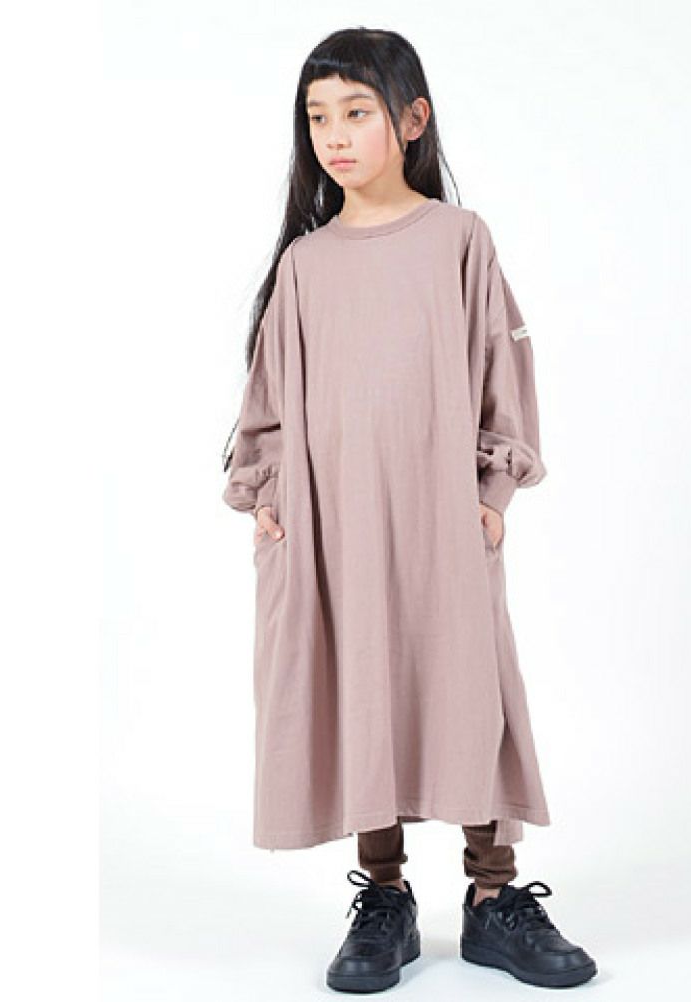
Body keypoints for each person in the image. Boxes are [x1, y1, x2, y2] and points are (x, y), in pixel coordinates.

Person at [221, 26, 597, 993]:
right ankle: (384, 898)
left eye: (357, 112)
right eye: (318, 118)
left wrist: (492, 495)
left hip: (440, 518)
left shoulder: (459, 241)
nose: (335, 136)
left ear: (413, 119)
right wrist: (267, 496)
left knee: (467, 687)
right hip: (333, 523)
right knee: (362, 684)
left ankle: (493, 896)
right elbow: (269, 399)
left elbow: (500, 370)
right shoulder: (305, 266)